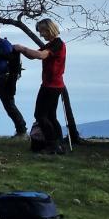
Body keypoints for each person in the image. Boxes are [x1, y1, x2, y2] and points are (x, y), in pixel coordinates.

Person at [13, 19, 67, 153]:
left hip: (51, 85)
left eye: (43, 31)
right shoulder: (52, 44)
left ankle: (52, 145)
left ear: (49, 29)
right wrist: (20, 51)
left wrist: (22, 48)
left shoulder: (57, 44)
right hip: (53, 84)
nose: (42, 34)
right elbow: (33, 55)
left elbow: (41, 55)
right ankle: (58, 144)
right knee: (51, 116)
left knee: (40, 115)